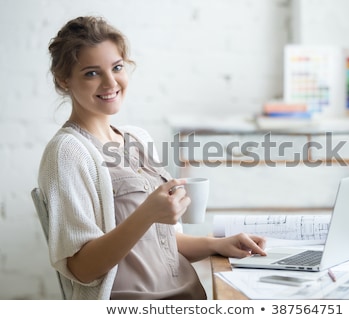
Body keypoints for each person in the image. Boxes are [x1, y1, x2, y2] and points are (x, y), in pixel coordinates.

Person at [38, 16, 266, 300]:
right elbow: (83, 269)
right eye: (91, 73)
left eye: (117, 67)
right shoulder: (68, 152)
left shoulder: (139, 139)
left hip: (189, 296)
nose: (111, 82)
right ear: (64, 80)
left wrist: (217, 244)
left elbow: (163, 243)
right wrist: (147, 214)